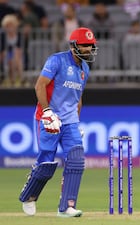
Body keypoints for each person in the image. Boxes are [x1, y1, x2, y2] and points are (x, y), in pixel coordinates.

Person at [19, 27, 98, 217]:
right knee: (46, 162)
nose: (89, 49)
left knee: (77, 159)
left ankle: (66, 207)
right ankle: (30, 196)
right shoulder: (57, 60)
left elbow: (78, 99)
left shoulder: (84, 69)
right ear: (74, 46)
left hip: (70, 121)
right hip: (49, 118)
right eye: (85, 45)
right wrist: (47, 112)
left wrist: (76, 123)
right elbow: (40, 85)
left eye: (91, 45)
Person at [0, 14, 24, 87]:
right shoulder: (3, 35)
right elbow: (2, 49)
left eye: (11, 25)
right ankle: (18, 78)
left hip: (17, 56)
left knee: (16, 56)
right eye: (7, 26)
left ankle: (17, 79)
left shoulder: (19, 34)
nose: (10, 28)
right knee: (12, 58)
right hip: (5, 55)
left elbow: (20, 48)